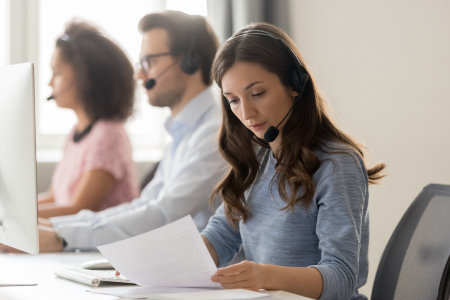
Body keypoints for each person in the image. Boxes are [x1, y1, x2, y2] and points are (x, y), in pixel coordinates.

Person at [0, 11, 226, 253]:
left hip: (200, 270)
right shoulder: (184, 132)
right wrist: (54, 227)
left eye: (149, 62)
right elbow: (145, 205)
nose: (139, 75)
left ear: (189, 61)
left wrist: (60, 235)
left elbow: (164, 214)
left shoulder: (215, 134)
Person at [200, 23, 386, 300]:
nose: (247, 113)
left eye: (257, 93)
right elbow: (220, 237)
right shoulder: (259, 158)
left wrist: (265, 276)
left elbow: (342, 277)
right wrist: (158, 265)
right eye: (233, 100)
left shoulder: (337, 164)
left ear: (295, 86)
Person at [38, 21, 139, 219]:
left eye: (57, 72)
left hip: (100, 247)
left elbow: (78, 210)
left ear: (85, 77)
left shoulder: (108, 134)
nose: (50, 83)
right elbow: (55, 198)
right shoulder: (77, 132)